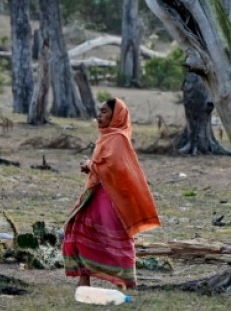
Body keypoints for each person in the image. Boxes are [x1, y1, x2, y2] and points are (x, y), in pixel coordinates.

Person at [62, 97, 160, 290]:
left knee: (116, 237)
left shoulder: (118, 138)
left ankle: (127, 281)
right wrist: (91, 168)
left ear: (117, 116)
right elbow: (104, 166)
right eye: (99, 111)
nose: (99, 115)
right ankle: (84, 279)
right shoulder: (106, 136)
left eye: (105, 111)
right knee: (80, 228)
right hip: (96, 193)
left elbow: (114, 167)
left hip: (113, 198)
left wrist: (90, 165)